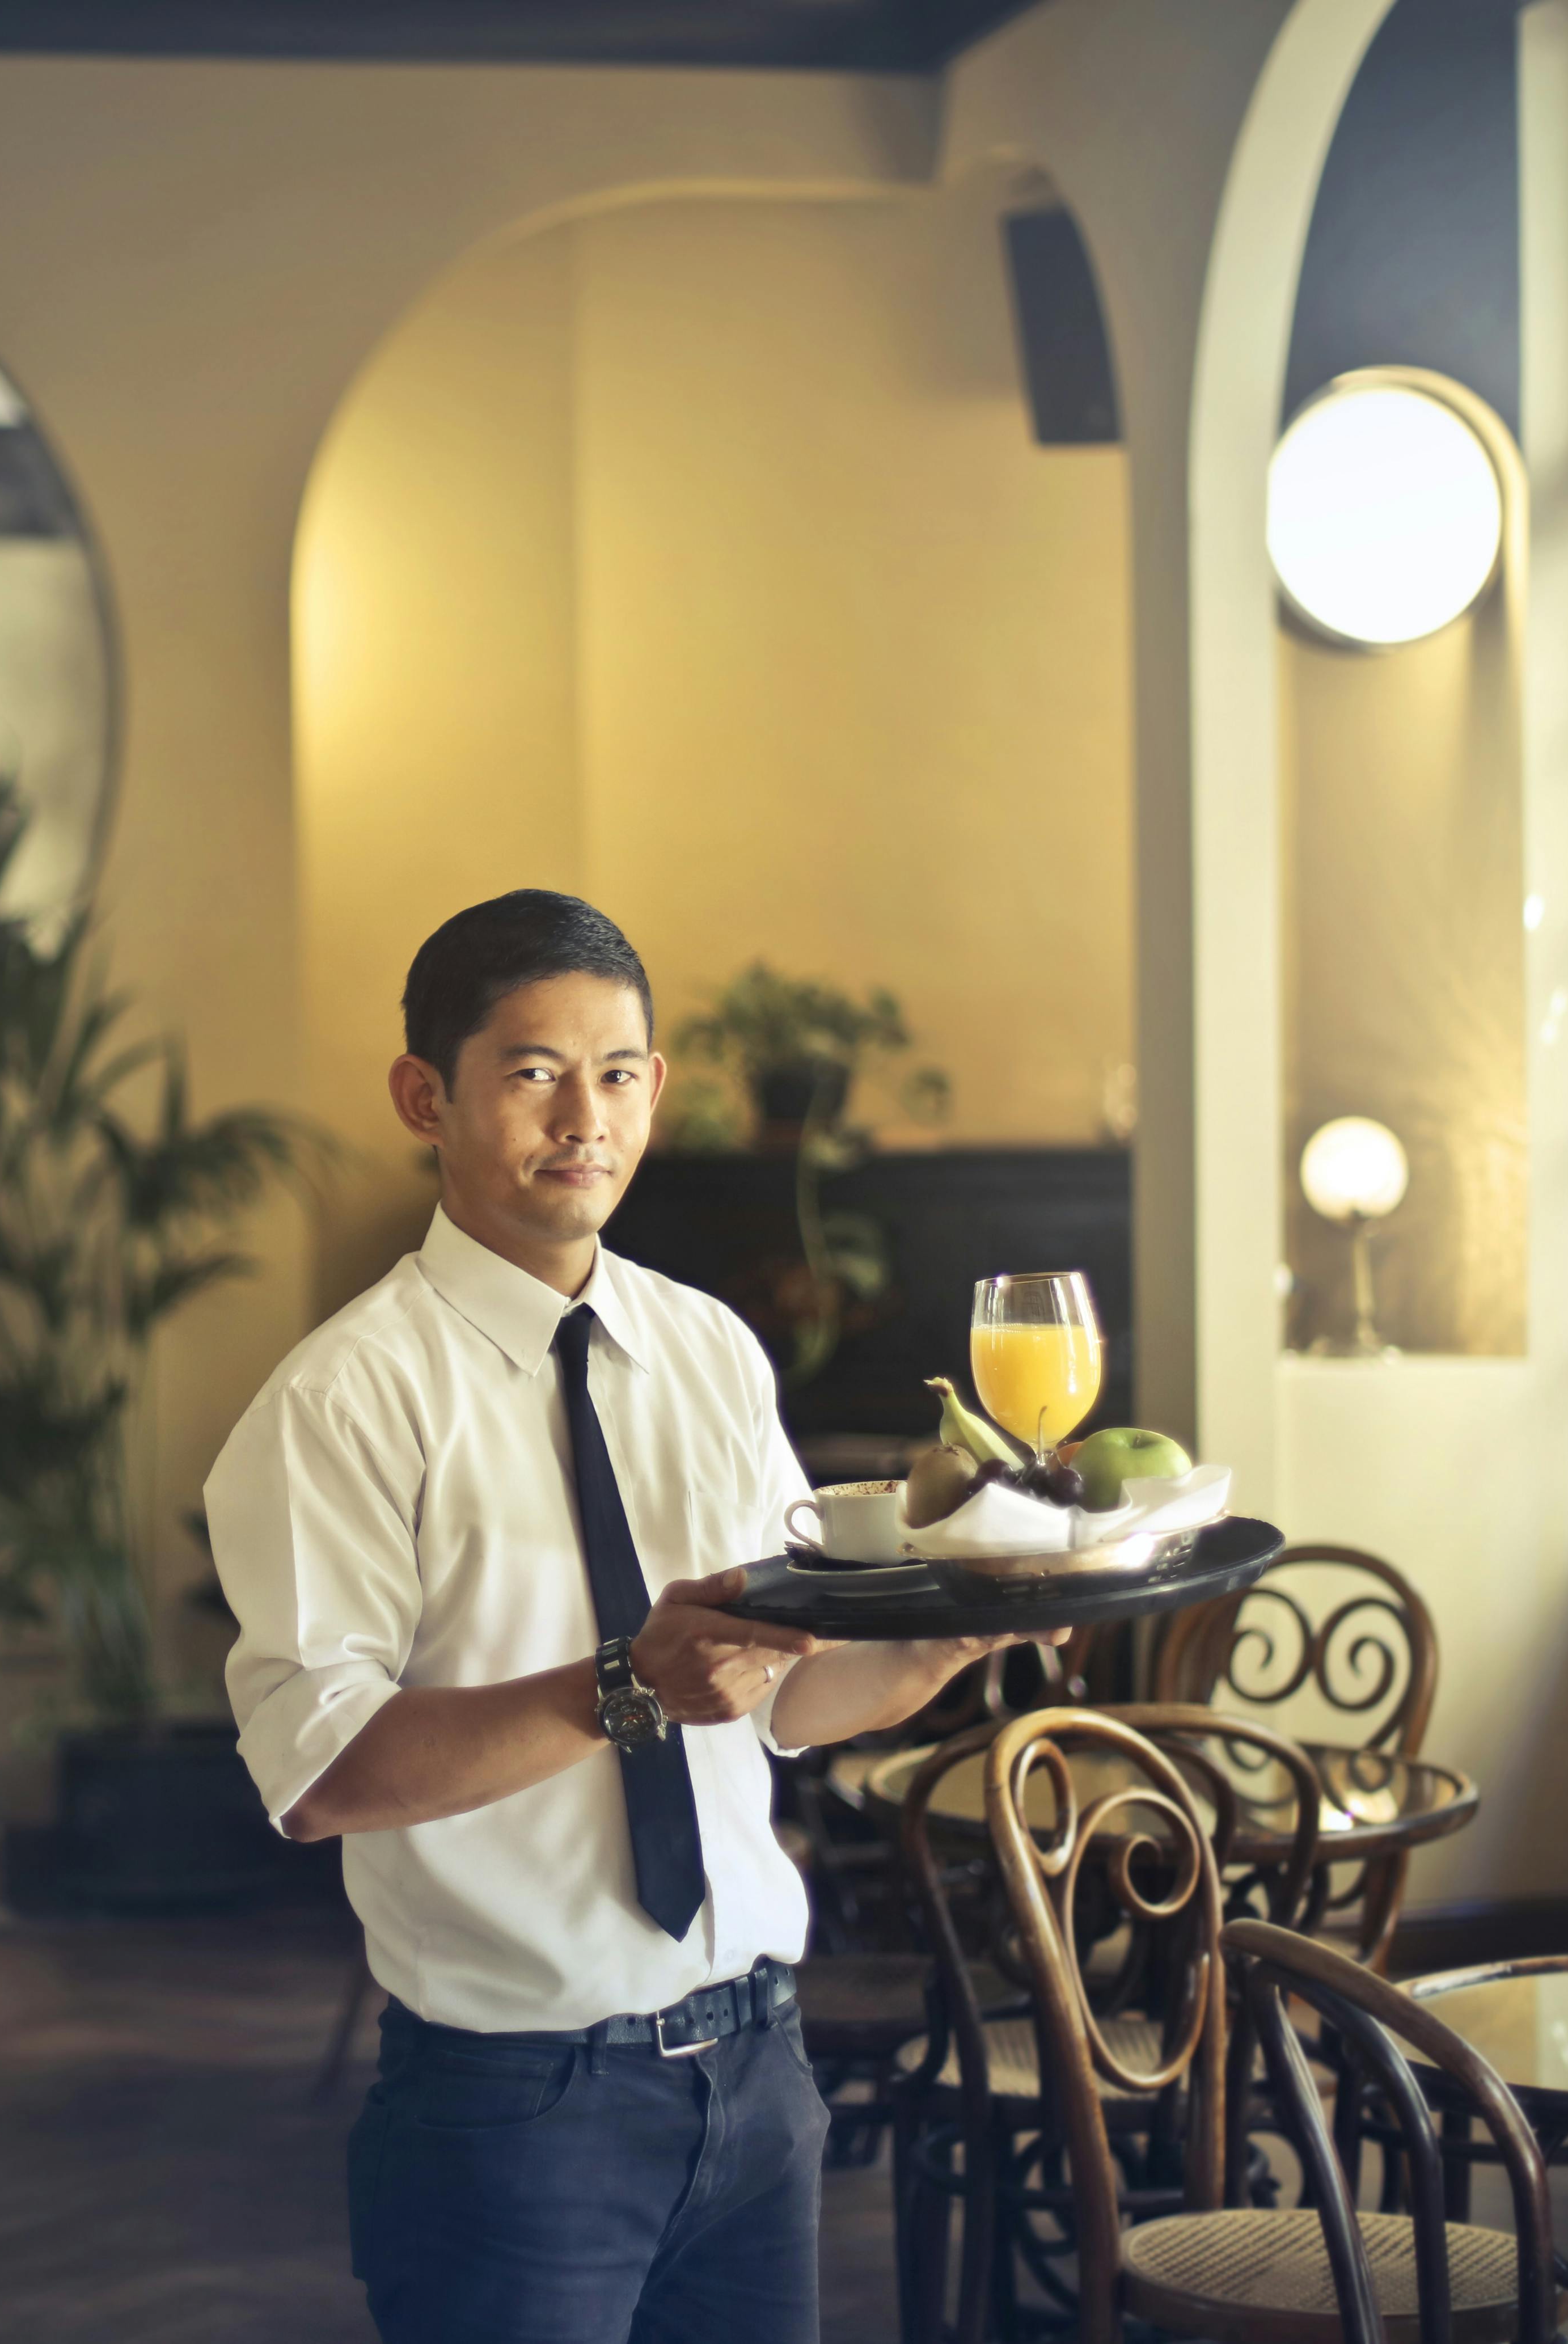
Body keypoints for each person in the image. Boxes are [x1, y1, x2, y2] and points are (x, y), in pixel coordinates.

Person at [204, 890, 1042, 2343]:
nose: (583, 1116)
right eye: (532, 1072)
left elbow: (785, 1698)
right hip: (514, 2109)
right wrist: (624, 1688)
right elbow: (321, 1776)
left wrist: (955, 1633)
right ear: (427, 1096)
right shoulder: (340, 1402)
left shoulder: (707, 1347)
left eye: (619, 1074)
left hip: (758, 2076)